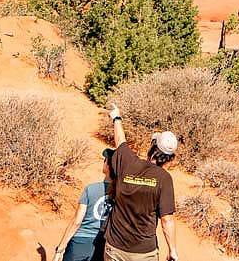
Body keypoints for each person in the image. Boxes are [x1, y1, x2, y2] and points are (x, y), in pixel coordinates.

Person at [103, 103, 180, 261]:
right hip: (143, 253)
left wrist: (116, 117)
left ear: (152, 148)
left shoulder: (129, 162)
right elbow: (167, 219)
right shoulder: (164, 179)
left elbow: (120, 141)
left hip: (115, 247)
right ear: (170, 158)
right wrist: (172, 250)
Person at [49, 149, 115, 261]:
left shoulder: (91, 189)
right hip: (102, 246)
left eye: (105, 160)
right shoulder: (121, 194)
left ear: (108, 167)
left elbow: (77, 221)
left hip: (80, 242)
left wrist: (60, 248)